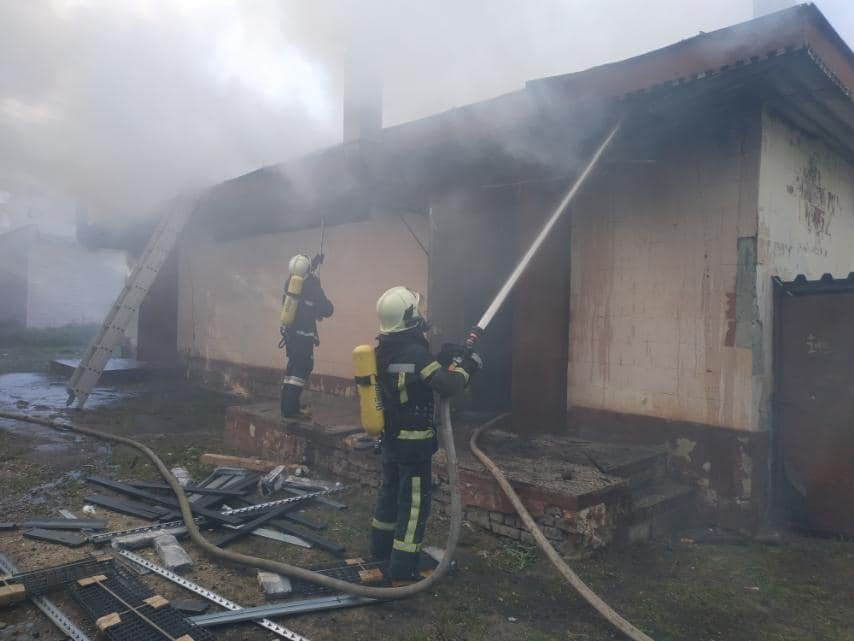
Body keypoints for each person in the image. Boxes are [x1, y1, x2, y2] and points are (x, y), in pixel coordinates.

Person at [369, 285, 482, 580]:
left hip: (391, 438)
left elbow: (417, 374)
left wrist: (442, 356)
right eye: (416, 310)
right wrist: (468, 367)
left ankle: (380, 549)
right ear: (409, 317)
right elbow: (447, 384)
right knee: (414, 503)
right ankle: (403, 565)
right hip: (415, 444)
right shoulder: (416, 353)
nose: (421, 313)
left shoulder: (383, 351)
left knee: (389, 492)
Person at [280, 253, 333, 418]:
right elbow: (328, 309)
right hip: (304, 338)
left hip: (291, 336)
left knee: (292, 369)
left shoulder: (290, 284)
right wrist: (318, 288)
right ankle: (290, 410)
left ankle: (288, 405)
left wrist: (314, 263)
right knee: (301, 369)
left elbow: (303, 273)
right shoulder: (312, 286)